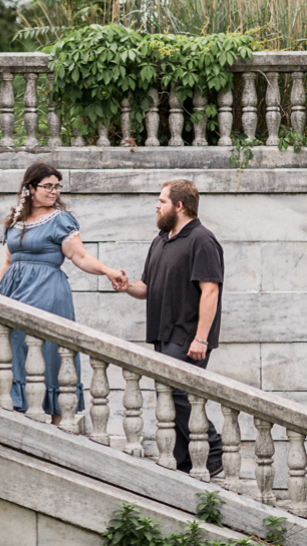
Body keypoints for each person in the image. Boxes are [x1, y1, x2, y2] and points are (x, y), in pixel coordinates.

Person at [0, 162, 127, 424]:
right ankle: (6, 401)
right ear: (30, 188)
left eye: (57, 186)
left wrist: (107, 270)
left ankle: (58, 419)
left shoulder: (60, 219)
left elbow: (79, 256)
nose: (54, 191)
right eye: (48, 186)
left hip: (47, 289)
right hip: (13, 288)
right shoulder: (15, 218)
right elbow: (8, 260)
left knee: (48, 349)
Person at [116, 180, 224, 476]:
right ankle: (185, 461)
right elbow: (147, 288)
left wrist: (201, 338)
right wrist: (127, 287)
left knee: (179, 393)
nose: (157, 205)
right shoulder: (161, 240)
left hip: (189, 335)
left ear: (179, 205)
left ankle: (213, 450)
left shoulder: (202, 239)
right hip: (162, 333)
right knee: (168, 397)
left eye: (162, 200)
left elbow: (210, 291)